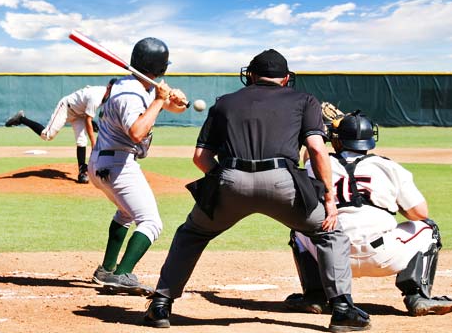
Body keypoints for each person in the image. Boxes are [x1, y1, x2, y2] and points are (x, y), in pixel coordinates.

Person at [143, 49, 371, 332]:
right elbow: (316, 150)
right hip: (284, 184)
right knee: (328, 232)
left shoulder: (224, 103)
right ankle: (342, 309)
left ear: (250, 75)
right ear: (286, 78)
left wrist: (226, 179)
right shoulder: (305, 100)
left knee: (193, 233)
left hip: (230, 180)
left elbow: (200, 157)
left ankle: (161, 305)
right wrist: (328, 199)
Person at [285, 111, 452, 317]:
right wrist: (390, 203)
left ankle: (315, 297)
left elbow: (311, 155)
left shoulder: (317, 165)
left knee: (299, 229)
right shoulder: (389, 167)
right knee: (428, 228)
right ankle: (417, 295)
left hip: (332, 256)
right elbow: (419, 213)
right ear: (370, 140)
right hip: (384, 256)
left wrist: (322, 134)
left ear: (335, 141)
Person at [88, 37, 188, 295]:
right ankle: (121, 275)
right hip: (119, 164)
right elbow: (137, 131)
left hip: (104, 161)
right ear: (161, 67)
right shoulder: (132, 95)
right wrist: (158, 101)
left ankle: (107, 270)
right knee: (151, 222)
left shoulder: (130, 86)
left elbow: (168, 109)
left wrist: (172, 101)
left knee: (125, 213)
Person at [5, 79, 116, 184]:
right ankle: (21, 119)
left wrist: (93, 124)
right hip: (67, 108)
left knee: (82, 140)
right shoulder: (96, 96)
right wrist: (94, 143)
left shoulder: (109, 97)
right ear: (108, 87)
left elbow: (89, 115)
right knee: (47, 135)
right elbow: (88, 118)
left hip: (79, 114)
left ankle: (82, 171)